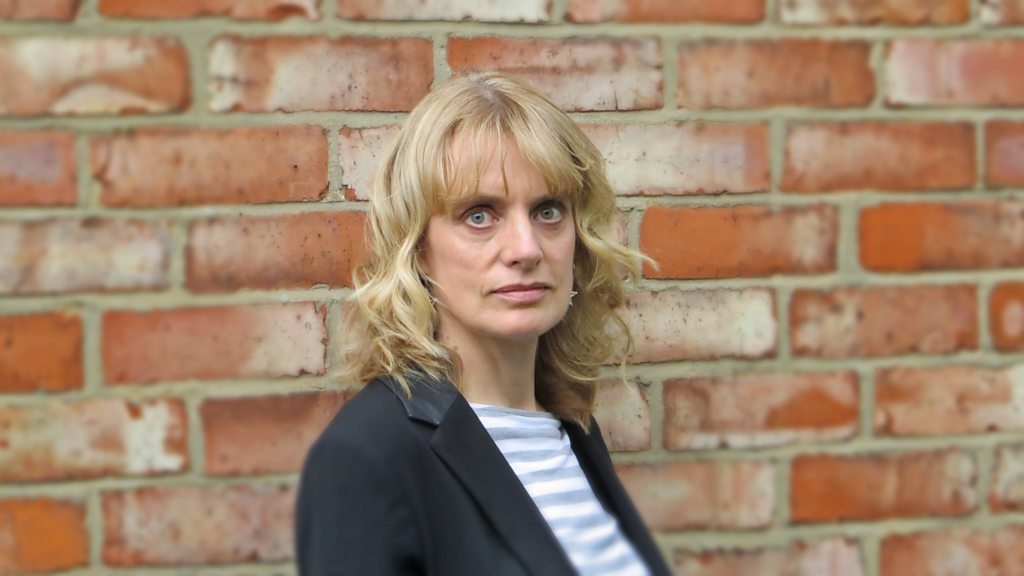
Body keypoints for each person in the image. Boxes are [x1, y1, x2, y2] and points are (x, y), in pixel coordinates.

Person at [295, 72, 672, 576]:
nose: (526, 249)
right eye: (479, 215)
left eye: (548, 211)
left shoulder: (571, 429)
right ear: (417, 250)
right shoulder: (366, 457)